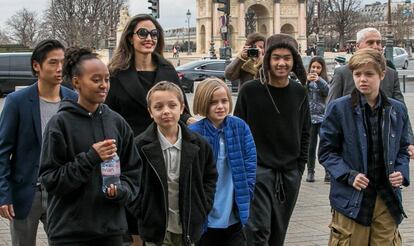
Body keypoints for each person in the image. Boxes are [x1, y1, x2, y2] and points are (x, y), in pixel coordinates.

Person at [106, 13, 195, 245]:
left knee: (161, 216)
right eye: (143, 33)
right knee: (134, 219)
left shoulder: (167, 70)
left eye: (154, 33)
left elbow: (182, 111)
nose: (149, 38)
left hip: (165, 155)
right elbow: (107, 116)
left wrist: (192, 121)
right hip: (130, 156)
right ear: (129, 38)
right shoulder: (115, 74)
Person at [38, 47, 141, 245]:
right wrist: (90, 158)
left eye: (107, 79)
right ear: (76, 82)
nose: (104, 85)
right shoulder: (60, 124)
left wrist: (122, 190)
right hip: (69, 233)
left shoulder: (117, 122)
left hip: (111, 231)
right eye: (96, 80)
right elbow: (50, 180)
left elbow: (133, 171)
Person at [318, 48, 410, 245]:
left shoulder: (397, 109)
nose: (362, 79)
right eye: (357, 74)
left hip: (387, 198)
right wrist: (349, 174)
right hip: (352, 198)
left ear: (382, 75)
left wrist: (401, 172)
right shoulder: (339, 108)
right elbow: (326, 152)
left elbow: (403, 149)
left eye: (369, 74)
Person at [234, 33, 310, 245]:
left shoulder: (299, 92)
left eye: (287, 58)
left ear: (294, 61)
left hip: (289, 174)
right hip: (258, 172)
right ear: (267, 59)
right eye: (276, 57)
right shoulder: (250, 90)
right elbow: (238, 132)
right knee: (258, 231)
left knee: (278, 233)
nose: (281, 63)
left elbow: (305, 132)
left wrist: (299, 168)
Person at [0, 39, 77, 246]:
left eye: (63, 62)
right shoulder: (17, 101)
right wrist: (4, 194)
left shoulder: (73, 99)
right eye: (53, 62)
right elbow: (3, 151)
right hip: (26, 193)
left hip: (61, 193)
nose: (60, 68)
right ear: (37, 65)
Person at [130, 81, 217, 246]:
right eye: (158, 107)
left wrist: (202, 206)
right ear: (150, 112)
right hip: (156, 229)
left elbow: (210, 177)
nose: (166, 111)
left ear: (182, 107)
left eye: (172, 105)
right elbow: (131, 180)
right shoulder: (139, 146)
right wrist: (143, 211)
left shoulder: (199, 144)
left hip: (188, 226)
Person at [327, 27, 414, 159]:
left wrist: (409, 141)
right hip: (351, 148)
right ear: (357, 46)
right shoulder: (343, 73)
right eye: (370, 42)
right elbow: (331, 110)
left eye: (379, 42)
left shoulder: (391, 73)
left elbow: (401, 111)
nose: (376, 46)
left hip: (383, 146)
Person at [189, 78, 257, 246]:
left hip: (233, 210)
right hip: (206, 214)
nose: (220, 106)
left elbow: (250, 161)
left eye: (224, 101)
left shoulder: (240, 127)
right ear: (203, 103)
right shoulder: (194, 133)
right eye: (213, 102)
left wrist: (247, 191)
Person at [305, 57, 329, 183]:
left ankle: (328, 171)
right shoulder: (306, 80)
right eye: (313, 67)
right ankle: (310, 171)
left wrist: (319, 80)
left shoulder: (324, 80)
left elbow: (327, 92)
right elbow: (302, 93)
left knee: (325, 145)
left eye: (318, 67)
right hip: (309, 118)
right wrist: (307, 82)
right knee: (311, 146)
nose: (315, 70)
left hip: (322, 117)